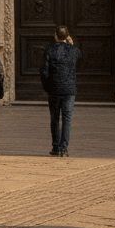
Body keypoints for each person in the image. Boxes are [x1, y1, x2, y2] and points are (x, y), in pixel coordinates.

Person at [41, 26, 82, 157]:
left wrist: (47, 86)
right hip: (69, 89)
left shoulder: (49, 50)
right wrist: (72, 45)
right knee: (67, 119)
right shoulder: (74, 50)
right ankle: (64, 148)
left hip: (54, 88)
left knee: (54, 118)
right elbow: (79, 62)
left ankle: (56, 147)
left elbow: (44, 72)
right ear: (67, 36)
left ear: (55, 36)